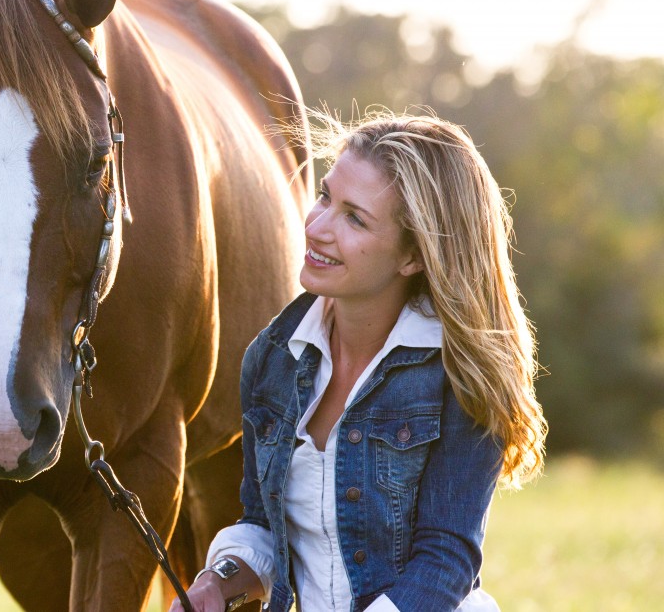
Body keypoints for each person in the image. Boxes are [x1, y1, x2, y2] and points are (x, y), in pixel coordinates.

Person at [170, 111, 547, 612]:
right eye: (325, 196)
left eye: (355, 217)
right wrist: (217, 583)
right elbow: (264, 525)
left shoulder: (460, 373)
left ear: (412, 256)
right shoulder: (272, 358)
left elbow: (445, 560)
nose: (318, 227)